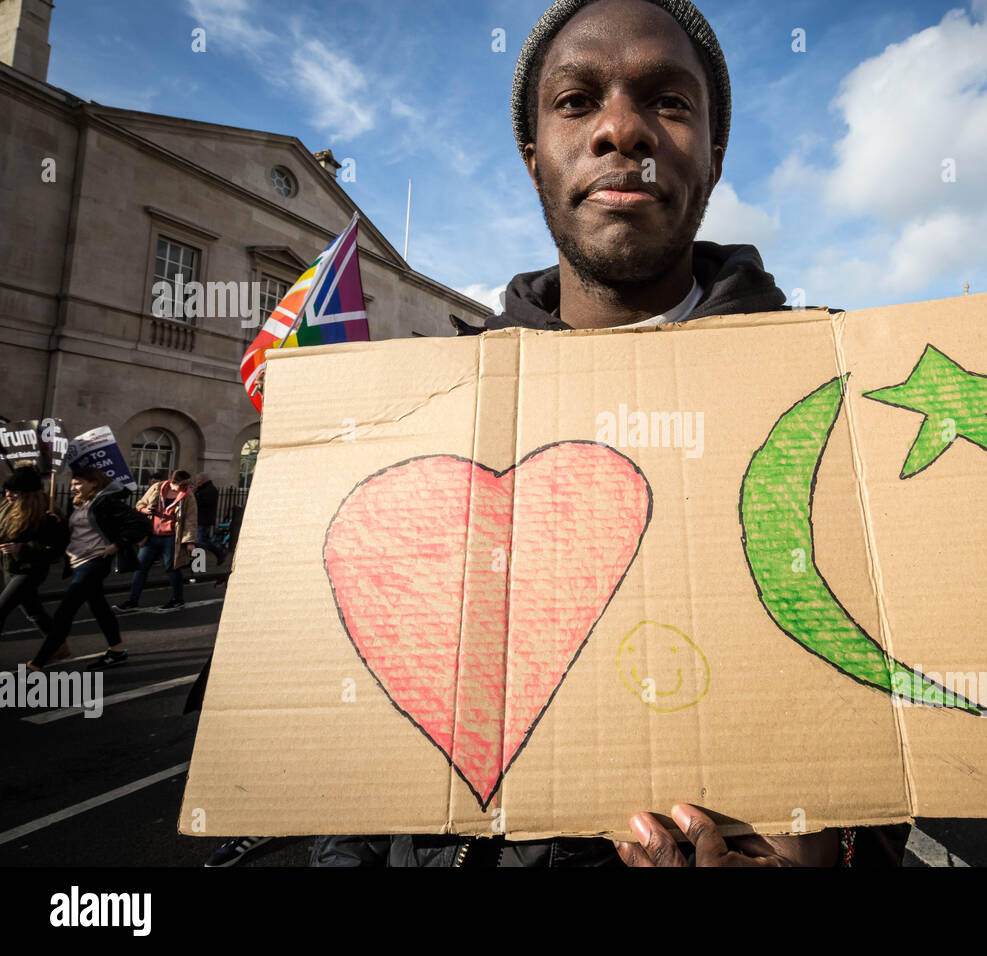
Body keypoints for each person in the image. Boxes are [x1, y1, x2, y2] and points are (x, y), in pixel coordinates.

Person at [310, 0, 896, 869]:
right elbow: (354, 778)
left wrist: (842, 849)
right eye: (578, 101)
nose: (622, 128)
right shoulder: (426, 419)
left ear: (715, 155)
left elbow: (902, 705)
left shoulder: (851, 400)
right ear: (533, 156)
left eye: (669, 101)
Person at [29, 468, 150, 670]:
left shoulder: (105, 502)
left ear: (94, 483)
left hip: (95, 561)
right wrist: (53, 522)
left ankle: (37, 663)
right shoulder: (75, 504)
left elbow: (141, 523)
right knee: (98, 607)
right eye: (72, 484)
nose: (73, 487)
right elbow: (68, 533)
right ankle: (117, 651)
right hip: (77, 561)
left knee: (65, 610)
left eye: (78, 483)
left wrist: (117, 544)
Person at [0, 466, 66, 642]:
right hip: (9, 566)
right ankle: (57, 646)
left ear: (29, 493)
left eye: (14, 492)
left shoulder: (47, 513)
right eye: (6, 491)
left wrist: (23, 548)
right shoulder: (6, 507)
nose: (8, 495)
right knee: (32, 609)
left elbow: (56, 549)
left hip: (30, 570)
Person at [116, 469, 197, 611]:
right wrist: (145, 510)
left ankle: (177, 599)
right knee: (140, 568)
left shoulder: (188, 496)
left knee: (172, 569)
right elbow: (140, 504)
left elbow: (191, 519)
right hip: (151, 536)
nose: (185, 488)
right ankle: (132, 601)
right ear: (172, 482)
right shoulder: (157, 488)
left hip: (172, 537)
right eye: (182, 485)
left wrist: (189, 541)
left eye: (187, 485)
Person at [191, 473, 226, 566]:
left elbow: (203, 504)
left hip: (204, 519)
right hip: (199, 519)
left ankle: (199, 561)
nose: (196, 482)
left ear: (203, 480)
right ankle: (196, 560)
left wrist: (194, 495)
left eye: (198, 480)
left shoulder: (210, 490)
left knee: (200, 541)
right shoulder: (202, 489)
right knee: (202, 540)